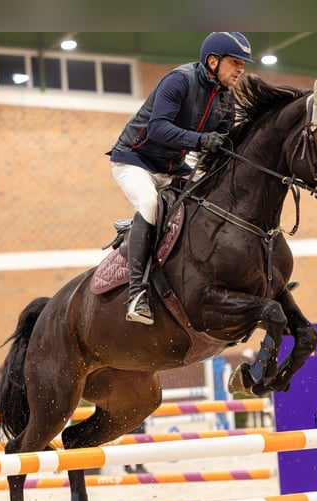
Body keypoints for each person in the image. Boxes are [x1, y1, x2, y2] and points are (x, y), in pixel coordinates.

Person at [107, 32, 254, 325]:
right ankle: (137, 293)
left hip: (173, 168)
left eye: (243, 64)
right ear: (213, 61)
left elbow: (221, 145)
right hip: (135, 161)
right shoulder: (179, 80)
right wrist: (202, 140)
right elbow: (158, 128)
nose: (240, 69)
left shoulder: (227, 100)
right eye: (235, 62)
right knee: (149, 204)